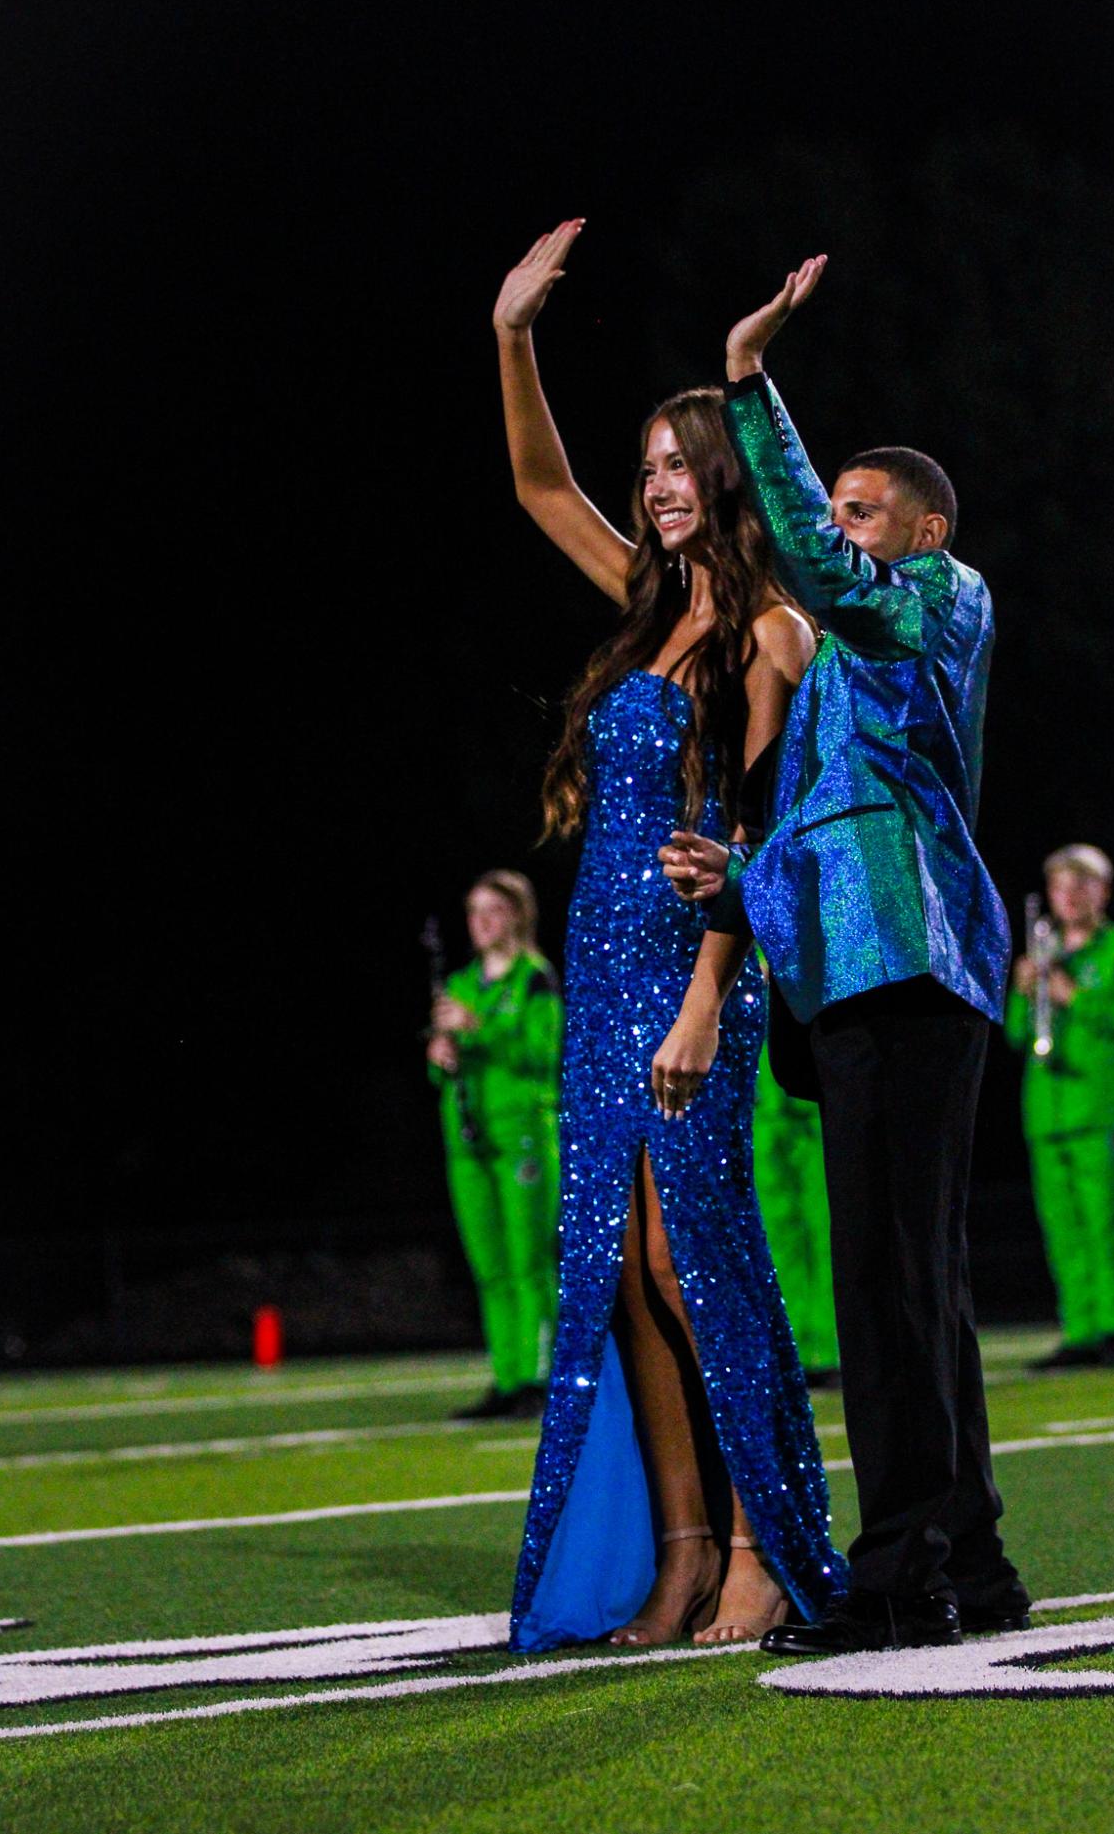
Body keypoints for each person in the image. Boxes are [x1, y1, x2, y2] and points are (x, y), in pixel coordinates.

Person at [661, 254, 1029, 1655]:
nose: (841, 533)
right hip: (868, 967)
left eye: (864, 513)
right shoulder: (848, 675)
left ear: (921, 526)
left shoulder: (939, 595)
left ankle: (899, 1576)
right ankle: (966, 1560)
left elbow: (815, 558)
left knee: (888, 1281)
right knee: (910, 1279)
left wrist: (749, 383)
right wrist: (740, 877)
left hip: (907, 962)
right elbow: (825, 825)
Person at [493, 221, 840, 1654]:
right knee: (620, 1269)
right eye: (646, 470)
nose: (654, 488)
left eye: (677, 464)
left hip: (699, 976)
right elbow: (535, 483)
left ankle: (766, 1552)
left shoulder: (770, 632)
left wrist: (707, 999)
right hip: (599, 967)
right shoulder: (643, 615)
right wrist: (511, 332)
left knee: (699, 1260)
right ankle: (684, 1555)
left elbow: (752, 836)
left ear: (726, 474)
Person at [1005, 844, 1114, 1370]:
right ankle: (1078, 1331)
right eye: (1061, 886)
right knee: (1064, 1230)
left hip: (1105, 1112)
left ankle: (1113, 1327)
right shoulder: (1044, 955)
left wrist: (1076, 996)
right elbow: (1015, 1036)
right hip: (1049, 1117)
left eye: (1083, 885)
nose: (1071, 896)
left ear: (1104, 891)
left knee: (1109, 1225)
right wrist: (1024, 993)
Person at [427, 870, 563, 1418]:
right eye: (473, 912)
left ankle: (544, 1377)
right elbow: (448, 1070)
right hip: (468, 1140)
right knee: (490, 1266)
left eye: (492, 910)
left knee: (530, 1260)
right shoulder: (461, 982)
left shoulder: (535, 979)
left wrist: (478, 1029)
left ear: (517, 916)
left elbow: (545, 1056)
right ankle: (507, 1377)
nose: (480, 923)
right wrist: (441, 1056)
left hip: (523, 1133)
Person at [752, 976, 841, 1385]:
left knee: (826, 1234)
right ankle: (797, 1353)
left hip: (810, 1106)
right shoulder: (735, 948)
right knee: (780, 1242)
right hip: (766, 1113)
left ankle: (834, 1350)